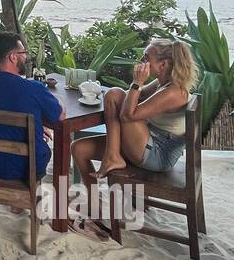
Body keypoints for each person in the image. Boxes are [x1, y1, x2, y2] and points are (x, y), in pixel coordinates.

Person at [72, 40, 198, 215]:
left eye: (146, 58)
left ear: (162, 65)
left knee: (115, 96)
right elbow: (127, 98)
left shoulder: (174, 92)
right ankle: (95, 200)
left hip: (158, 154)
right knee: (78, 148)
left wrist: (137, 82)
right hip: (146, 142)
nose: (141, 62)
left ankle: (113, 155)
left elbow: (127, 115)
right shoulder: (161, 83)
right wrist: (127, 90)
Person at [0, 31, 63, 185]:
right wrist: (58, 103)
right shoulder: (34, 88)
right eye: (23, 53)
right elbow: (59, 117)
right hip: (29, 167)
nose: (25, 57)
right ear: (13, 57)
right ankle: (26, 196)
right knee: (42, 151)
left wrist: (37, 127)